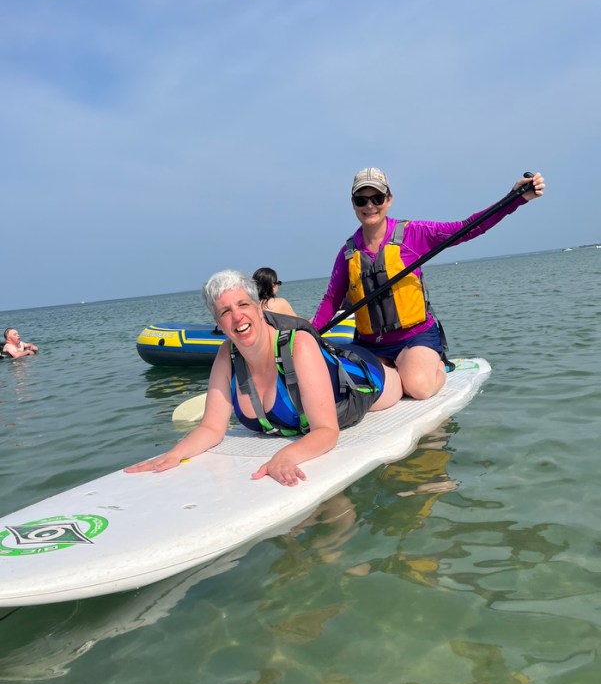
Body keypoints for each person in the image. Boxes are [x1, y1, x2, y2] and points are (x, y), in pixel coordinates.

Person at [126, 270, 401, 486]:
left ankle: (411, 359)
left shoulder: (299, 345)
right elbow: (211, 428)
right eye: (225, 312)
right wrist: (176, 453)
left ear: (259, 308)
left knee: (415, 385)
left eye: (243, 304)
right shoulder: (227, 356)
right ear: (219, 323)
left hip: (363, 378)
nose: (237, 316)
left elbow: (327, 432)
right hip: (330, 369)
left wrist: (284, 457)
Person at [312, 168, 546, 400]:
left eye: (377, 198)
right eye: (361, 200)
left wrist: (515, 199)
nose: (370, 205)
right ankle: (394, 373)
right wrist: (310, 335)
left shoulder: (414, 234)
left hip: (415, 337)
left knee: (418, 388)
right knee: (370, 394)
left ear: (389, 199)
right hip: (369, 343)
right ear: (353, 204)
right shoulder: (348, 253)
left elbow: (467, 228)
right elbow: (332, 299)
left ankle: (437, 365)